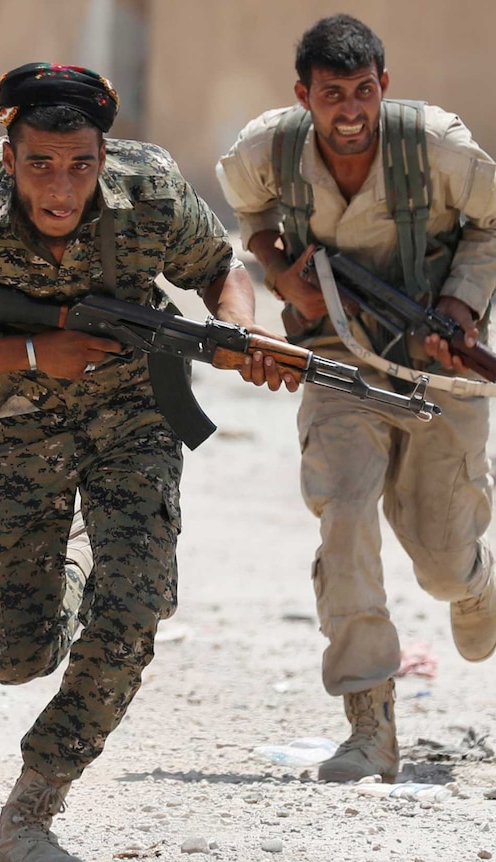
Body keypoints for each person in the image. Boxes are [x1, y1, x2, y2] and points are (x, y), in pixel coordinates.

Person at [0, 62, 288, 861]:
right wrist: (32, 349)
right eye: (40, 165)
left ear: (105, 151)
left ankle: (33, 806)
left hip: (138, 414)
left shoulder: (152, 186)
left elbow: (221, 270)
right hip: (16, 424)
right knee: (10, 654)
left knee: (137, 605)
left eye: (82, 165)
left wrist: (241, 330)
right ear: (7, 155)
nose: (62, 189)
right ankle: (81, 561)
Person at [217, 13, 496, 784]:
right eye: (332, 94)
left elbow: (492, 224)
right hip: (338, 357)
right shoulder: (265, 151)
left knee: (439, 559)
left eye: (363, 92)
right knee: (342, 512)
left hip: (437, 362)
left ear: (385, 86)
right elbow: (252, 222)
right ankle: (369, 723)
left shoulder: (436, 146)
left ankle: (475, 582)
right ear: (302, 94)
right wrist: (282, 274)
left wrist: (462, 312)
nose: (349, 111)